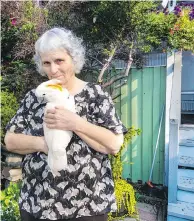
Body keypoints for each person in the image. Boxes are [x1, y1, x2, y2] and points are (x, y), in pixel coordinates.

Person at [5, 27, 127, 221]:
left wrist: (75, 123)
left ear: (74, 58)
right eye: (47, 63)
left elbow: (113, 144)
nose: (53, 69)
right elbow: (10, 140)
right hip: (37, 203)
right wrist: (46, 145)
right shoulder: (34, 98)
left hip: (87, 207)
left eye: (59, 60)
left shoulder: (95, 95)